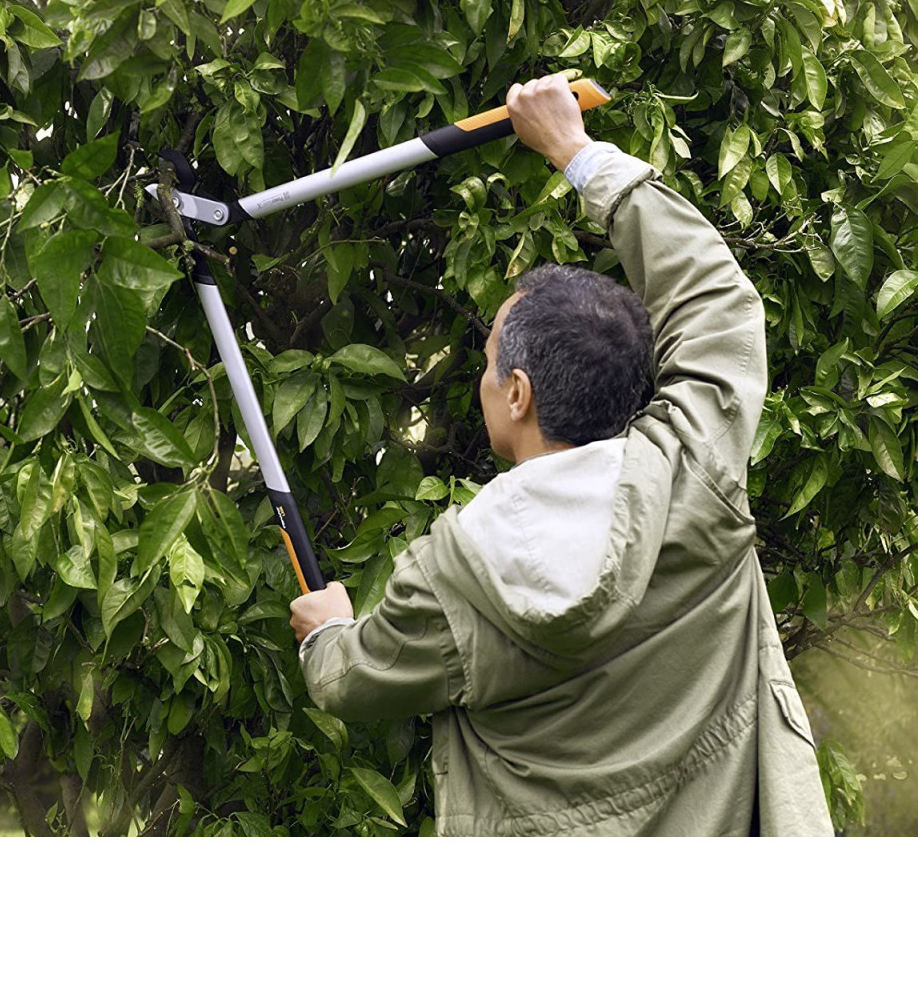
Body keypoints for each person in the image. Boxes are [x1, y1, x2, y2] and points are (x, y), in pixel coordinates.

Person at [289, 73, 833, 836]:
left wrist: (327, 631)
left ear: (518, 393)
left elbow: (351, 681)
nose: (482, 380)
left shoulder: (450, 577)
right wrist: (576, 151)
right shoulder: (695, 467)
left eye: (488, 364)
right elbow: (715, 298)